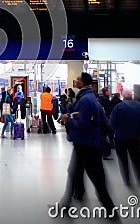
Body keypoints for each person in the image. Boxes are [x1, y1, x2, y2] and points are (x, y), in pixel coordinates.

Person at [59, 72, 116, 219]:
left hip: (87, 144)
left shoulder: (86, 100)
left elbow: (83, 122)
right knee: (74, 173)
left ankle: (111, 210)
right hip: (83, 142)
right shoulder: (86, 97)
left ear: (83, 83)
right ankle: (66, 204)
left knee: (97, 178)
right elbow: (82, 116)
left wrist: (68, 120)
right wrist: (70, 114)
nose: (75, 81)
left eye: (78, 79)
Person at [109, 89, 140, 187]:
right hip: (135, 138)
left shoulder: (118, 107)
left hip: (120, 138)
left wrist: (115, 133)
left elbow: (111, 123)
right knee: (137, 160)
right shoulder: (138, 106)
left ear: (123, 96)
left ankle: (127, 181)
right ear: (132, 96)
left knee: (123, 160)